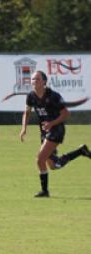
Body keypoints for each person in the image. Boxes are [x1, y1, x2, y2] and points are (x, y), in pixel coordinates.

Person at [20, 70, 91, 198]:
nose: (33, 82)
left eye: (37, 79)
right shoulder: (30, 96)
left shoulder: (53, 96)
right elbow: (27, 112)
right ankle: (81, 151)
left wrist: (51, 124)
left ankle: (45, 191)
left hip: (56, 130)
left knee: (40, 159)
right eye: (32, 79)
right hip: (45, 131)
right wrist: (24, 128)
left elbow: (66, 114)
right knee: (54, 165)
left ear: (44, 82)